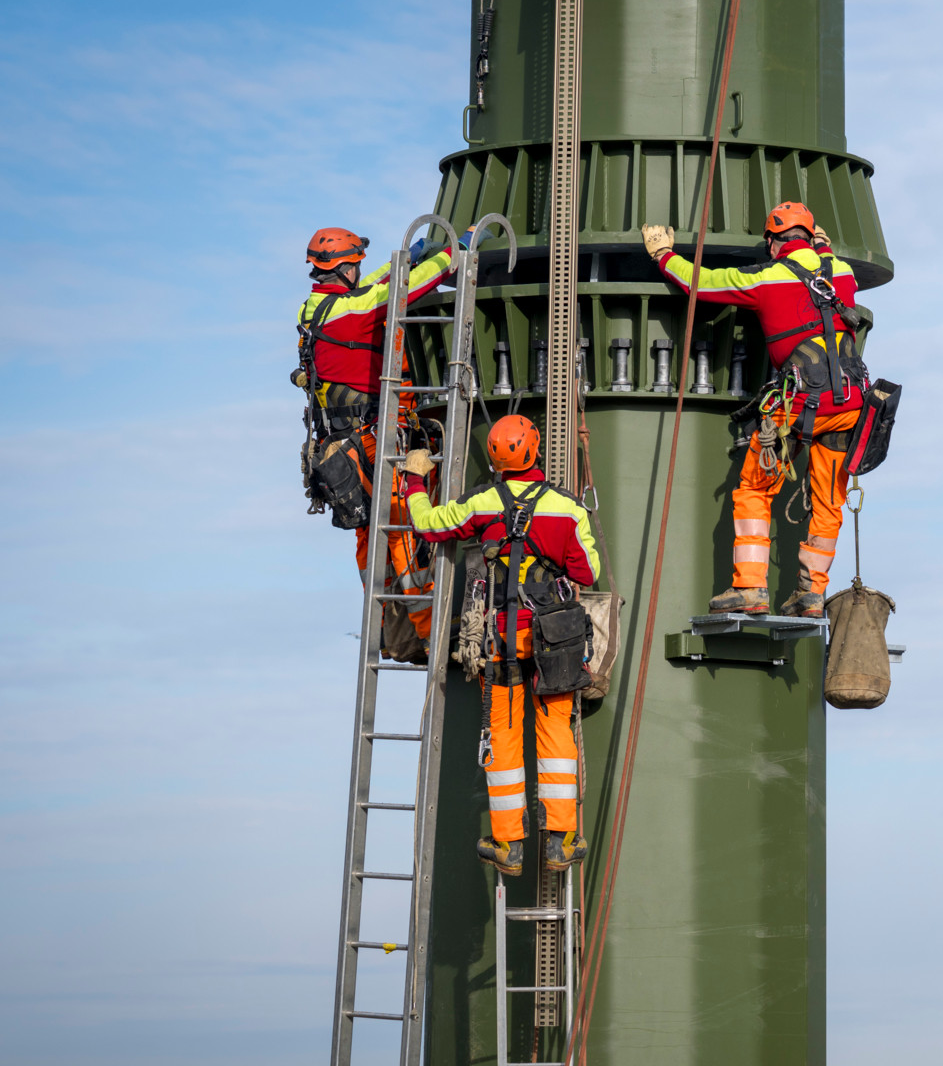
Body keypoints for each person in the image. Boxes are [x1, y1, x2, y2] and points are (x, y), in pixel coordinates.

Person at [640, 201, 867, 618]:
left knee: (754, 489)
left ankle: (750, 589)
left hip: (797, 407)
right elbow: (829, 259)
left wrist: (663, 254)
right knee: (829, 502)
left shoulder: (765, 278)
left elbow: (699, 283)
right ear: (812, 238)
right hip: (849, 405)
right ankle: (811, 594)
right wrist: (822, 247)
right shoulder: (843, 273)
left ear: (772, 241)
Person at [399, 415, 599, 876]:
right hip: (554, 639)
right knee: (556, 737)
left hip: (500, 639)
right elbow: (588, 572)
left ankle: (508, 845)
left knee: (503, 738)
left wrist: (413, 479)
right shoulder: (567, 509)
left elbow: (428, 525)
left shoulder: (482, 503)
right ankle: (560, 841)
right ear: (535, 449)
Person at [295, 227, 455, 653]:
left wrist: (406, 257)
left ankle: (382, 629)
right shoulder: (357, 308)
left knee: (369, 538)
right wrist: (452, 254)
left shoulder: (315, 307)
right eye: (358, 265)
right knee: (403, 526)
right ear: (346, 267)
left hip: (339, 448)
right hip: (368, 441)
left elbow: (373, 290)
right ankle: (427, 628)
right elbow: (399, 291)